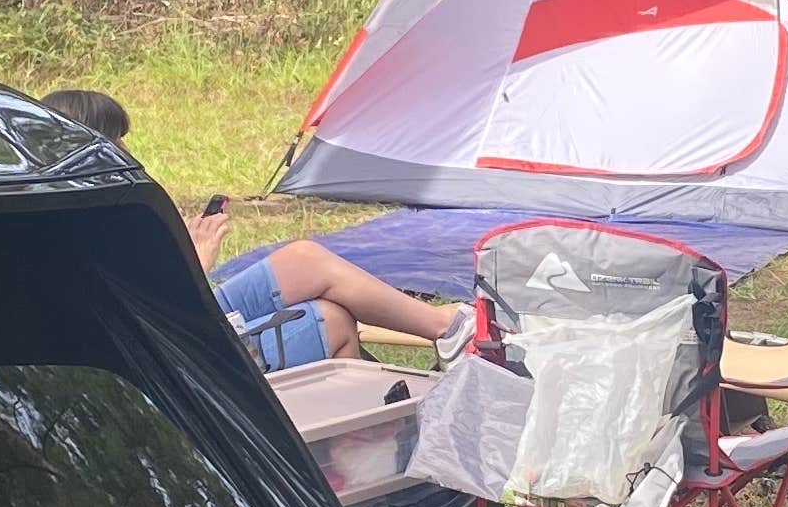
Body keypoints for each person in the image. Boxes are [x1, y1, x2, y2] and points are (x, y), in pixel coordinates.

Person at [43, 86, 472, 371]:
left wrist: (185, 263)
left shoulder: (95, 203)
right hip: (180, 351)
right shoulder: (75, 222)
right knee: (332, 320)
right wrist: (197, 264)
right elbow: (147, 319)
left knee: (304, 260)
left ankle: (446, 329)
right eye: (114, 140)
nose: (124, 150)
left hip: (190, 311)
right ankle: (364, 441)